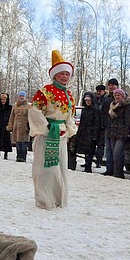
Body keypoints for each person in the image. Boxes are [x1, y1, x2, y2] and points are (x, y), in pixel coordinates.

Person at [28, 50, 77, 210]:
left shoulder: (69, 95)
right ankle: (43, 199)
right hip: (46, 134)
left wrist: (69, 129)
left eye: (67, 74)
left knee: (60, 168)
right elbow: (35, 111)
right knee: (45, 168)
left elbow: (70, 114)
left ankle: (58, 199)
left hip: (61, 135)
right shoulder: (45, 92)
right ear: (55, 75)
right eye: (61, 74)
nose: (64, 77)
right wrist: (47, 127)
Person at [108, 88, 130, 178]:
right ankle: (116, 172)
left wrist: (126, 133)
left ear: (122, 96)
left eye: (118, 95)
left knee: (117, 154)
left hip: (121, 134)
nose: (116, 97)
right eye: (115, 95)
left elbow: (127, 121)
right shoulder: (113, 106)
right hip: (113, 133)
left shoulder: (127, 106)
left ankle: (118, 174)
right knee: (113, 155)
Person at [76, 92, 101, 173]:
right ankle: (87, 164)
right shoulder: (84, 110)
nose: (87, 102)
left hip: (91, 133)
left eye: (89, 100)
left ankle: (88, 166)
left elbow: (97, 123)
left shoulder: (95, 110)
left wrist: (95, 135)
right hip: (84, 133)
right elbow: (82, 122)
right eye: (86, 100)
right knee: (86, 150)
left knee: (90, 151)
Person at [7, 91, 31, 162]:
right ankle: (18, 156)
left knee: (23, 143)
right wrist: (10, 125)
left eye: (23, 96)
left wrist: (29, 126)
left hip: (25, 127)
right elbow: (12, 116)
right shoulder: (15, 106)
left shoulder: (28, 106)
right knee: (18, 142)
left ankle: (23, 157)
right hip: (16, 127)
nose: (21, 97)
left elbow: (30, 117)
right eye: (20, 96)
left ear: (25, 97)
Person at [101, 79, 119, 175]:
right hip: (107, 127)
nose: (111, 87)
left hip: (116, 128)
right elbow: (103, 113)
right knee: (108, 150)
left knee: (114, 150)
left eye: (113, 85)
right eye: (110, 85)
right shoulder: (106, 98)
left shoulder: (120, 98)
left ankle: (116, 170)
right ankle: (109, 169)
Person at [93, 84, 107, 168]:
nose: (98, 93)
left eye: (100, 91)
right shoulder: (96, 99)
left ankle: (99, 161)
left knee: (101, 144)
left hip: (102, 125)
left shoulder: (105, 100)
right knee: (95, 143)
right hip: (96, 124)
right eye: (97, 91)